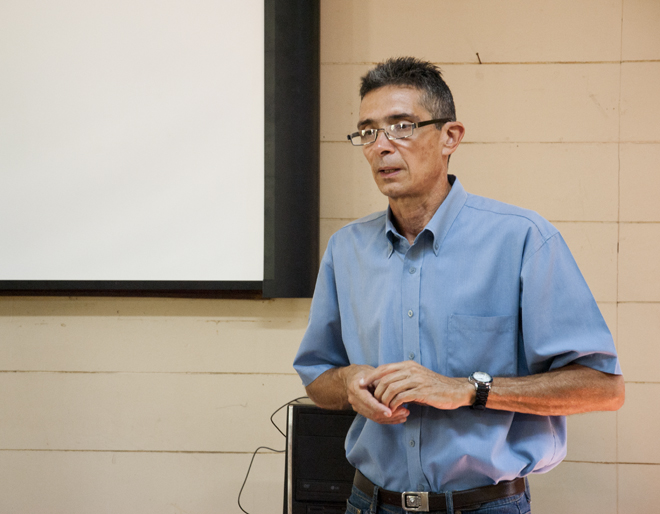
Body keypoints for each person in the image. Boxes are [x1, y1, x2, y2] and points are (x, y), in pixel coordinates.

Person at [293, 57, 624, 514]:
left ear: (450, 137)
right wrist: (349, 381)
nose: (381, 147)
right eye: (368, 132)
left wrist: (469, 390)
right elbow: (319, 380)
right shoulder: (346, 249)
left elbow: (603, 388)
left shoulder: (523, 239)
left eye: (402, 126)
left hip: (483, 505)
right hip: (368, 502)